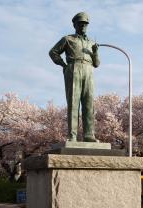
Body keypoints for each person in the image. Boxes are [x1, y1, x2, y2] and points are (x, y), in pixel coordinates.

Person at [49, 12, 100, 142]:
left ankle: (89, 135)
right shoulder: (68, 39)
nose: (83, 26)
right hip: (73, 68)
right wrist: (63, 65)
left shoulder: (91, 42)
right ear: (75, 25)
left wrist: (95, 52)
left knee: (89, 104)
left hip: (89, 70)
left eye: (85, 24)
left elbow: (97, 64)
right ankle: (72, 135)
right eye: (80, 23)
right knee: (73, 102)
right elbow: (53, 52)